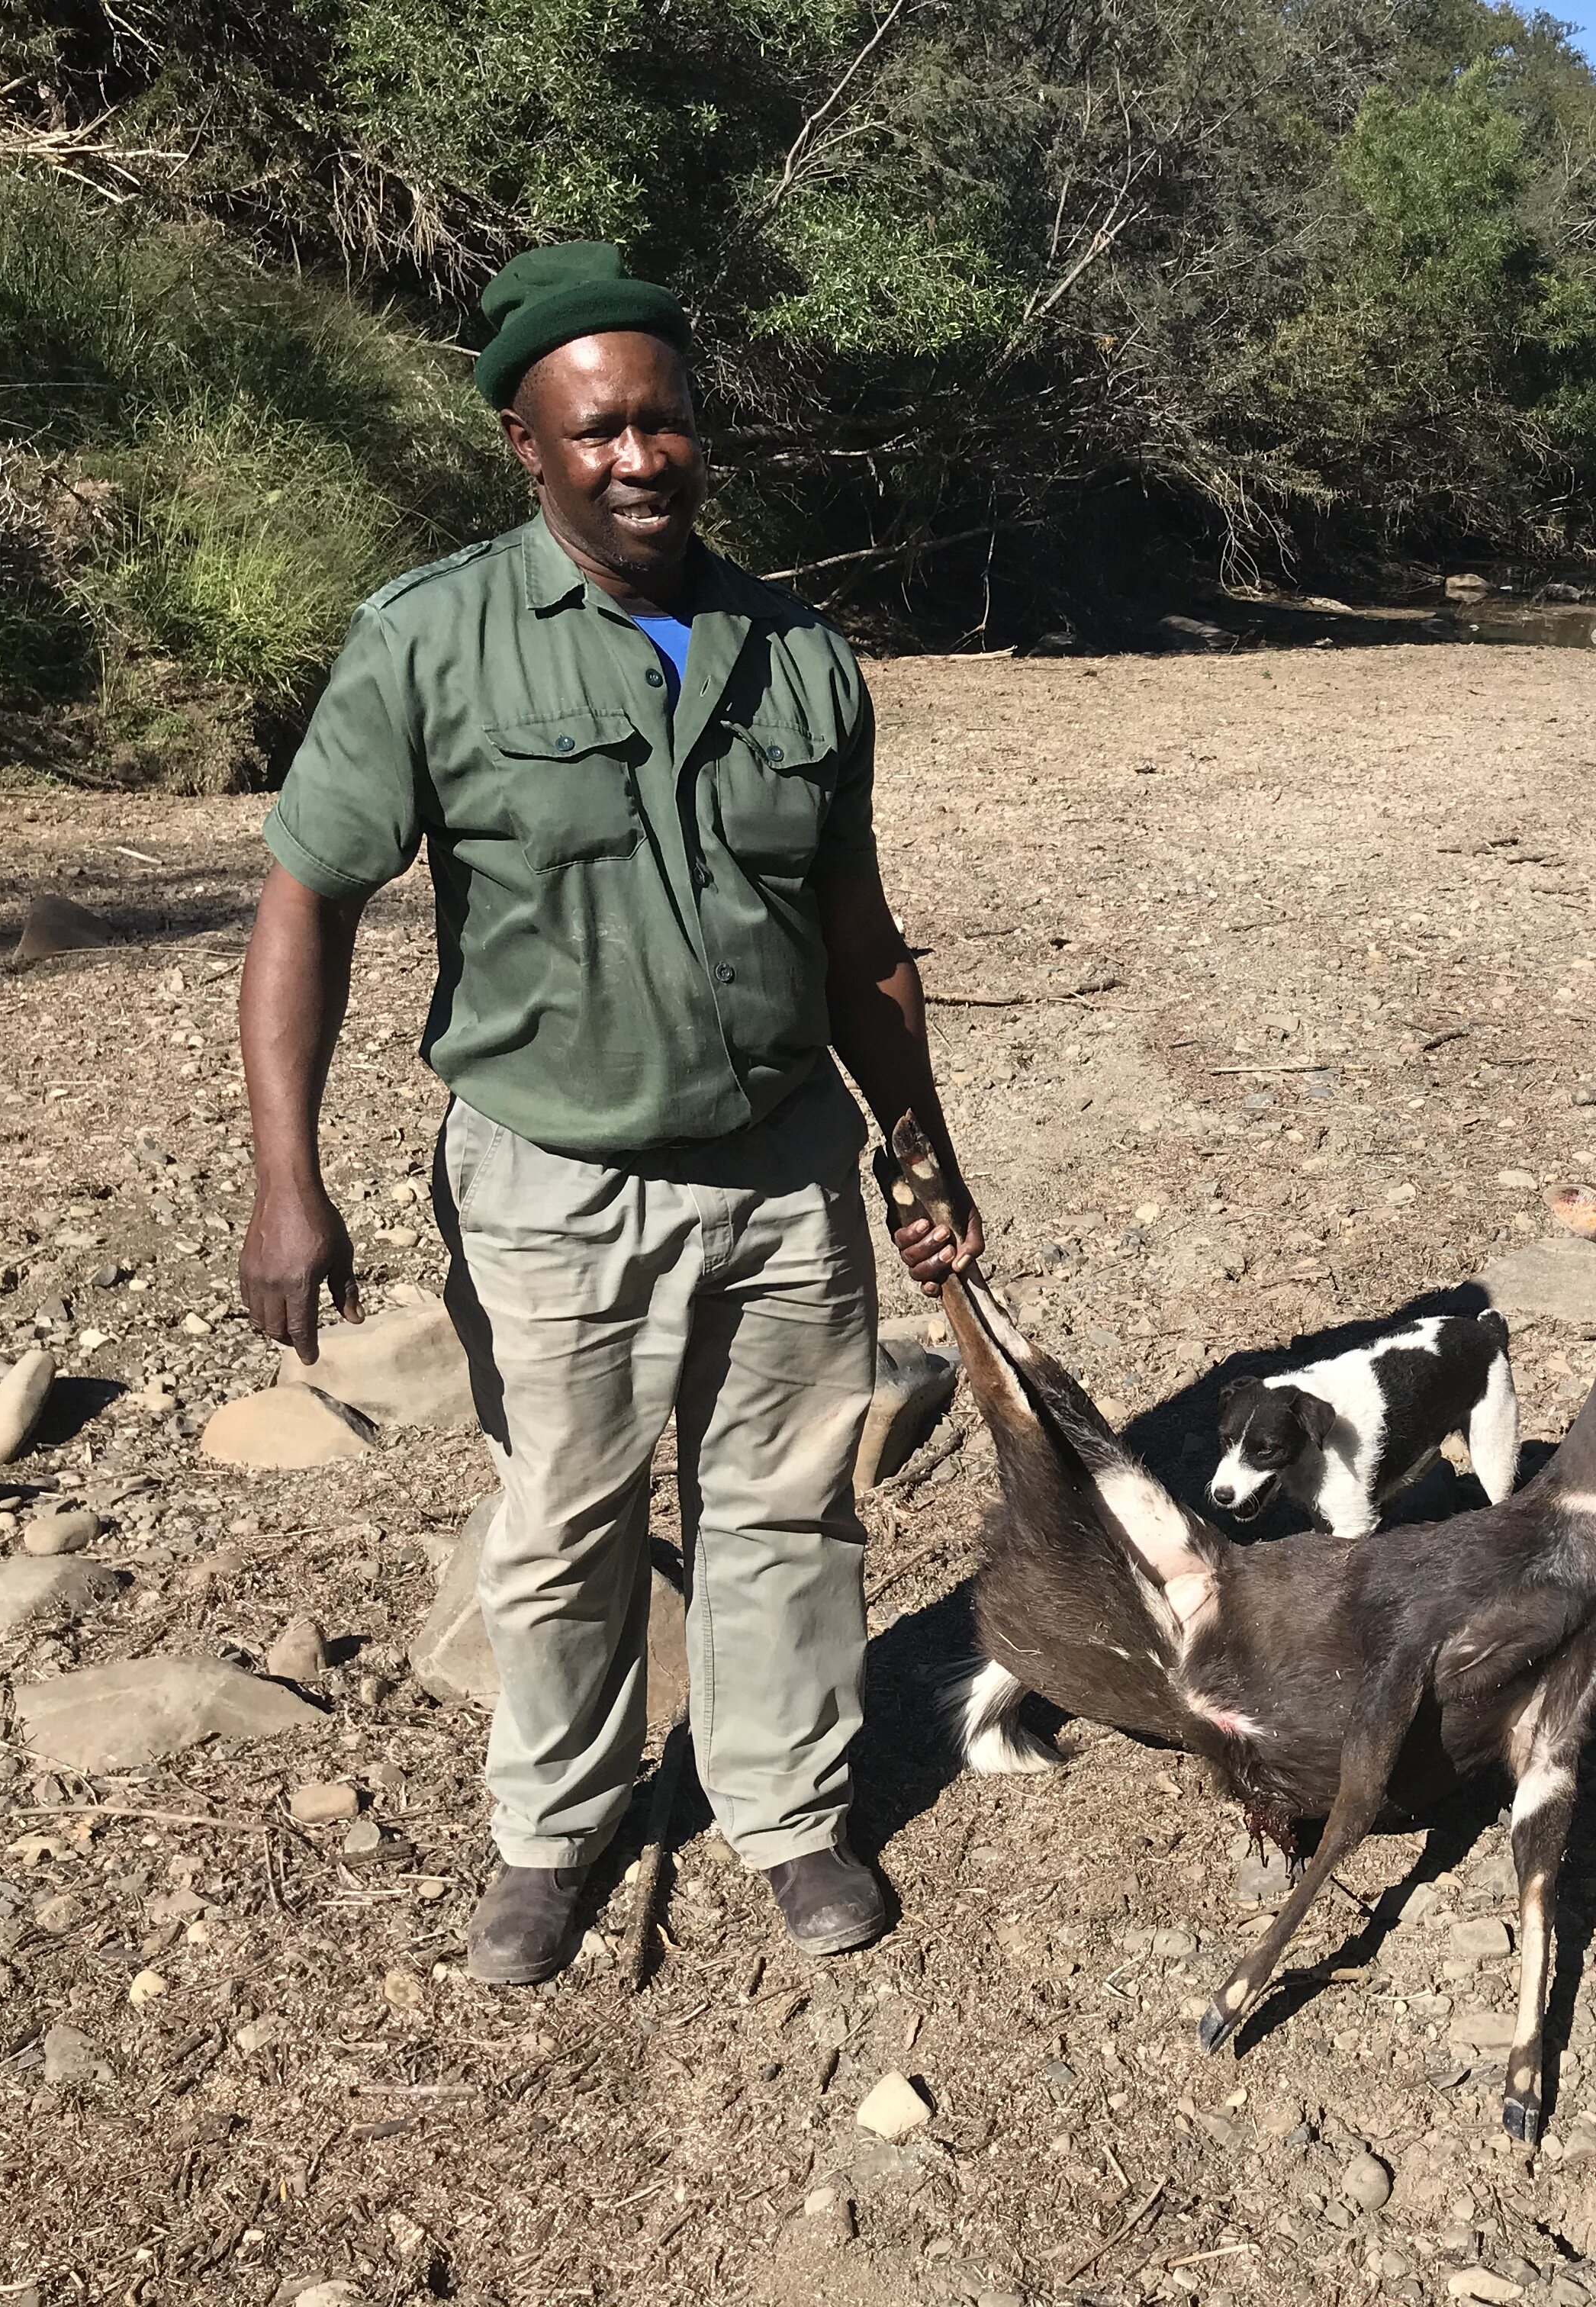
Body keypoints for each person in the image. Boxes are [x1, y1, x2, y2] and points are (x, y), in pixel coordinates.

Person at [236, 242, 980, 1985]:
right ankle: (553, 1838)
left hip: (786, 1172)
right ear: (525, 444)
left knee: (790, 1509)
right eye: (596, 432)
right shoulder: (429, 643)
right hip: (548, 1183)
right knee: (562, 1526)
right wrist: (287, 1179)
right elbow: (303, 902)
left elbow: (858, 940)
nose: (639, 458)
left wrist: (918, 1141)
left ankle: (793, 1816)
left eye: (666, 423)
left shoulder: (799, 657)